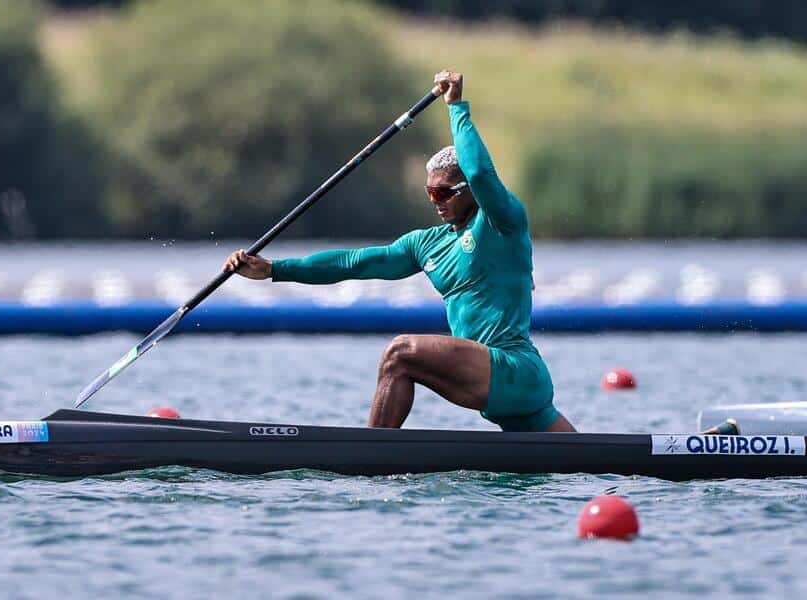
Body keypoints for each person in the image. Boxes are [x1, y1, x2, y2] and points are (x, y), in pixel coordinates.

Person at [225, 70, 577, 433]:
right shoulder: (426, 244)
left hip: (513, 369)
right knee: (586, 464)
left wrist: (456, 107)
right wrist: (275, 270)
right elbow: (354, 263)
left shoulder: (502, 222)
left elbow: (482, 173)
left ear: (469, 189)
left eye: (444, 192)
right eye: (429, 193)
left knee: (400, 353)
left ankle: (370, 454)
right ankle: (382, 452)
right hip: (501, 391)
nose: (435, 202)